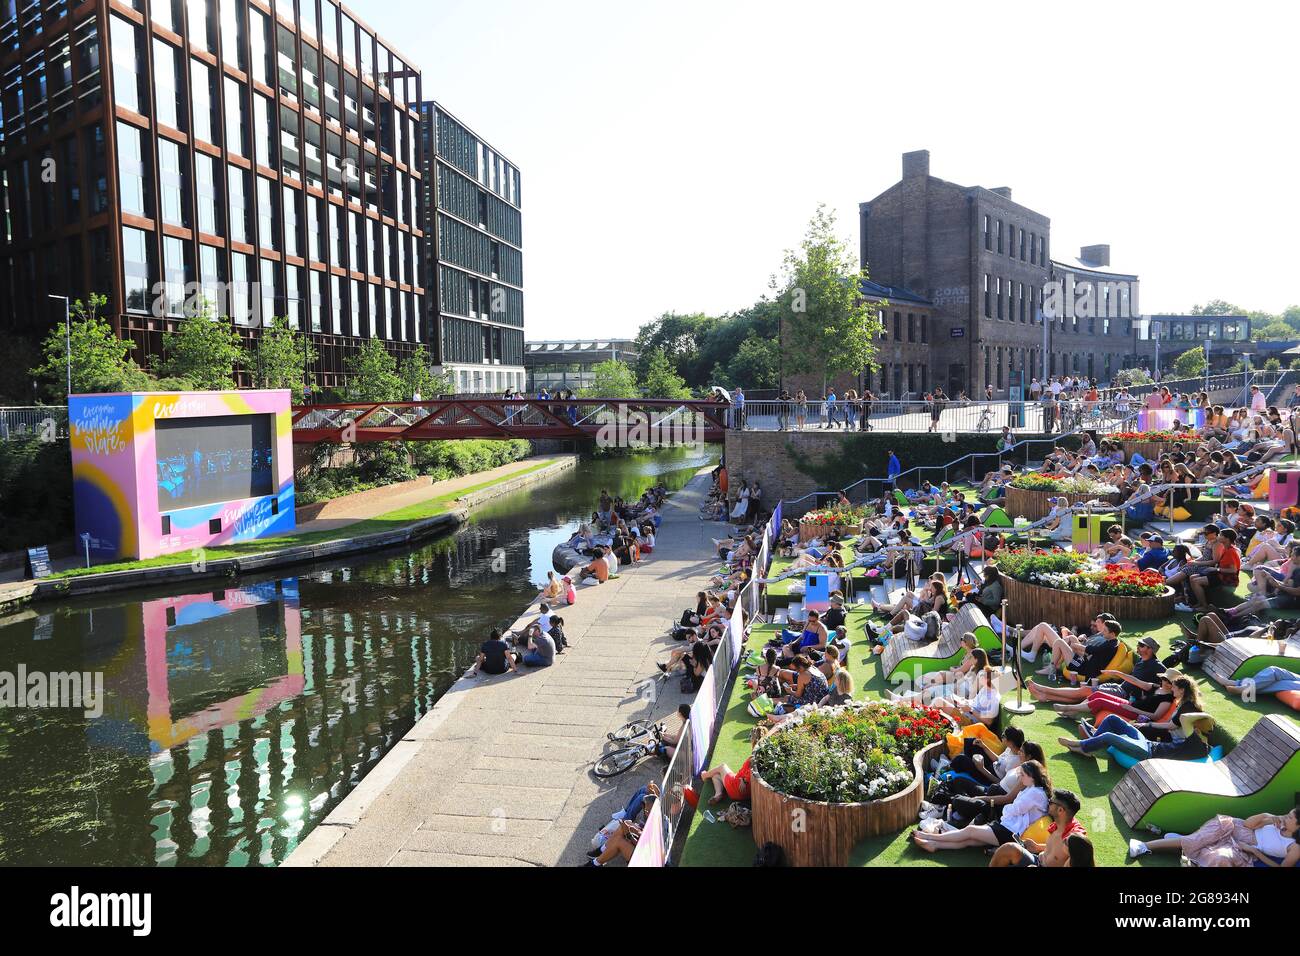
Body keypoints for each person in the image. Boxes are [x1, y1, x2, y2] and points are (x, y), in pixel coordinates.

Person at [913, 761, 1052, 853]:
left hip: (1011, 832)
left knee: (970, 831)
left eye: (1022, 775)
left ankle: (929, 837)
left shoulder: (1035, 793)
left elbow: (1014, 809)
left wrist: (1006, 810)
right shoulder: (1032, 790)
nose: (1020, 778)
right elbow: (1015, 808)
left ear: (1032, 776)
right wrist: (1009, 809)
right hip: (1011, 829)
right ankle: (934, 845)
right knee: (970, 840)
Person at [1128, 806, 1299, 867]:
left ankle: (1182, 842)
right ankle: (1144, 845)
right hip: (1239, 828)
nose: (1286, 816)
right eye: (1288, 813)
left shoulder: (1294, 846)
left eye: (1291, 817)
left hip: (1247, 847)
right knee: (1200, 839)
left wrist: (1254, 852)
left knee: (1219, 858)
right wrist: (1267, 817)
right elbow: (1247, 824)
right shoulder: (1276, 821)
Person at [990, 789, 1087, 868]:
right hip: (1037, 859)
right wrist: (1037, 847)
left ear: (1060, 810)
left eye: (1051, 802)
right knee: (1009, 848)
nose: (1048, 803)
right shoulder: (1060, 823)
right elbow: (1057, 850)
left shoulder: (1074, 838)